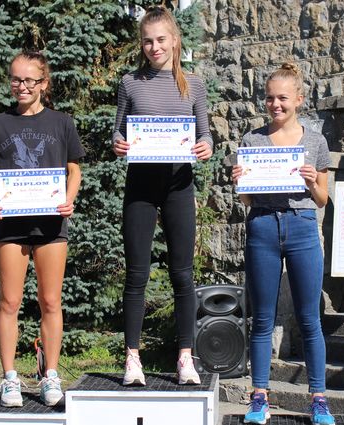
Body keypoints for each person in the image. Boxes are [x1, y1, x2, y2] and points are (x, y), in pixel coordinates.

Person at [112, 6, 213, 386]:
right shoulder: (130, 83)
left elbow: (205, 134)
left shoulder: (193, 85)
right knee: (136, 274)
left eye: (160, 40)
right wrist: (118, 143)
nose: (154, 47)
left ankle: (185, 357)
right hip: (140, 184)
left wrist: (206, 146)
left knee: (182, 274)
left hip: (178, 186)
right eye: (147, 41)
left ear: (174, 40)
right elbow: (118, 130)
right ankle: (132, 358)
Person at [231, 63, 335, 425]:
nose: (275, 105)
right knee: (262, 318)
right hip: (262, 225)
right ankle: (259, 396)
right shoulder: (252, 140)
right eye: (270, 98)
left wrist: (312, 181)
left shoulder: (316, 141)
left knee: (309, 319)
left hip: (302, 226)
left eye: (283, 98)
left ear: (299, 100)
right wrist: (241, 183)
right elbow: (247, 200)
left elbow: (322, 199)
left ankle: (318, 399)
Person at [0, 51, 84, 407]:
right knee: (9, 300)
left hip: (51, 223)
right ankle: (10, 378)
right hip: (11, 224)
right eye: (15, 79)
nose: (21, 86)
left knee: (50, 300)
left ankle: (50, 374)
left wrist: (68, 200)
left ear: (44, 83)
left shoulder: (62, 123)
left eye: (28, 80)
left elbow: (74, 170)